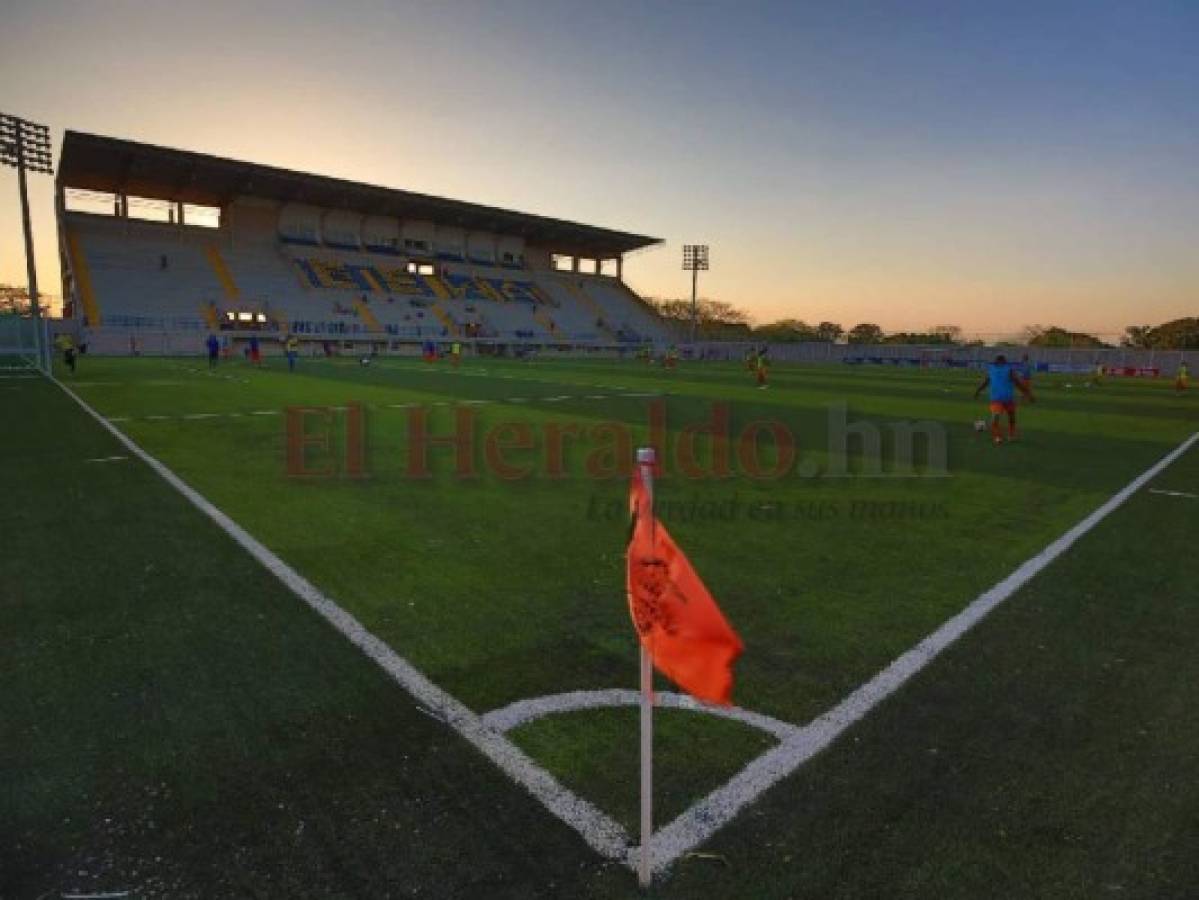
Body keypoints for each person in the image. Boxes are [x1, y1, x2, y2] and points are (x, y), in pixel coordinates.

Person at [974, 354, 1035, 445]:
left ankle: (1003, 436)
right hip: (1002, 398)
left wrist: (978, 391)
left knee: (1000, 417)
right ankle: (1003, 436)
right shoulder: (1006, 370)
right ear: (1003, 361)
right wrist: (1028, 394)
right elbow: (1018, 383)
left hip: (1001, 398)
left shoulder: (995, 369)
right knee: (1007, 417)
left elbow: (985, 382)